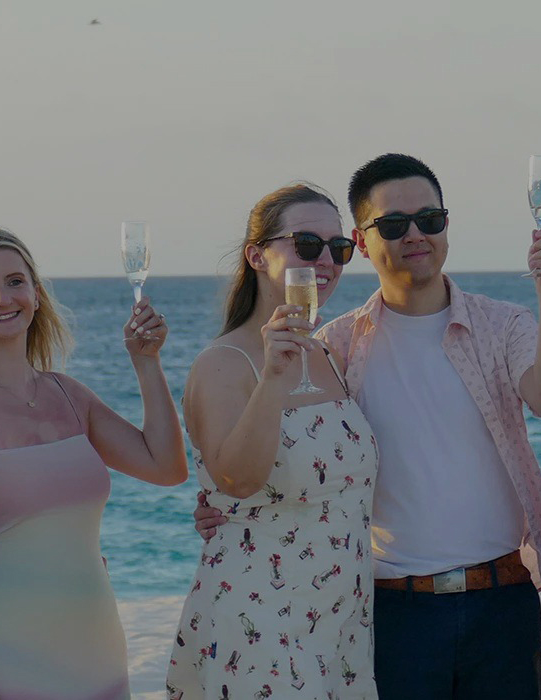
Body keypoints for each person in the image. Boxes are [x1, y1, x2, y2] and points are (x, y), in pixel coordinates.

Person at [198, 153, 541, 698]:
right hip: (390, 611)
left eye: (430, 219)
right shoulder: (333, 347)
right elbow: (294, 464)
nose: (415, 235)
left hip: (503, 603)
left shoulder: (503, 324)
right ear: (362, 239)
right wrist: (224, 508)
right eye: (394, 225)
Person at [0, 227, 184, 698]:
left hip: (96, 646)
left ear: (35, 294)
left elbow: (166, 467)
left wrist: (146, 362)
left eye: (16, 281)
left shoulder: (69, 395)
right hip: (7, 655)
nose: (2, 298)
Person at [165, 184, 379, 699]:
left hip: (340, 623)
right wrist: (273, 380)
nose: (325, 260)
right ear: (257, 255)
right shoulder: (224, 364)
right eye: (306, 244)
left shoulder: (327, 354)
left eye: (338, 248)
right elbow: (237, 480)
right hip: (258, 620)